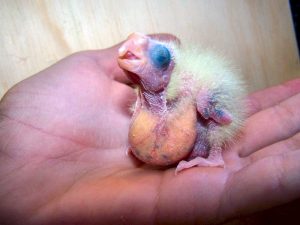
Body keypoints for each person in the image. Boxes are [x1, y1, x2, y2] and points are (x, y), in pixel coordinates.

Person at [0, 34, 299, 225]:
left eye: (158, 58)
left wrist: (210, 120)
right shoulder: (145, 99)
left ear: (169, 69)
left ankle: (215, 155)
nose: (133, 53)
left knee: (208, 117)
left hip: (196, 124)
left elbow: (223, 117)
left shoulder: (192, 87)